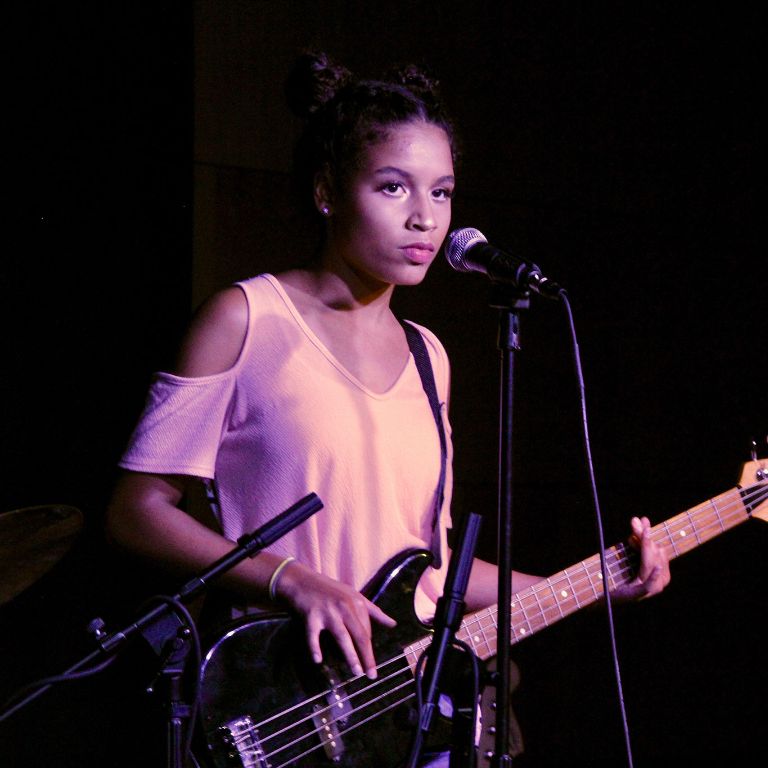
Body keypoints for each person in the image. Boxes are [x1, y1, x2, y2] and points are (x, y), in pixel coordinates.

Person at [105, 51, 670, 766]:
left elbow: (431, 570)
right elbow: (137, 509)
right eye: (394, 187)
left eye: (442, 193)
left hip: (404, 714)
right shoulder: (245, 318)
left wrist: (600, 584)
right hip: (281, 702)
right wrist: (291, 578)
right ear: (327, 191)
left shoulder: (430, 355)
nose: (424, 219)